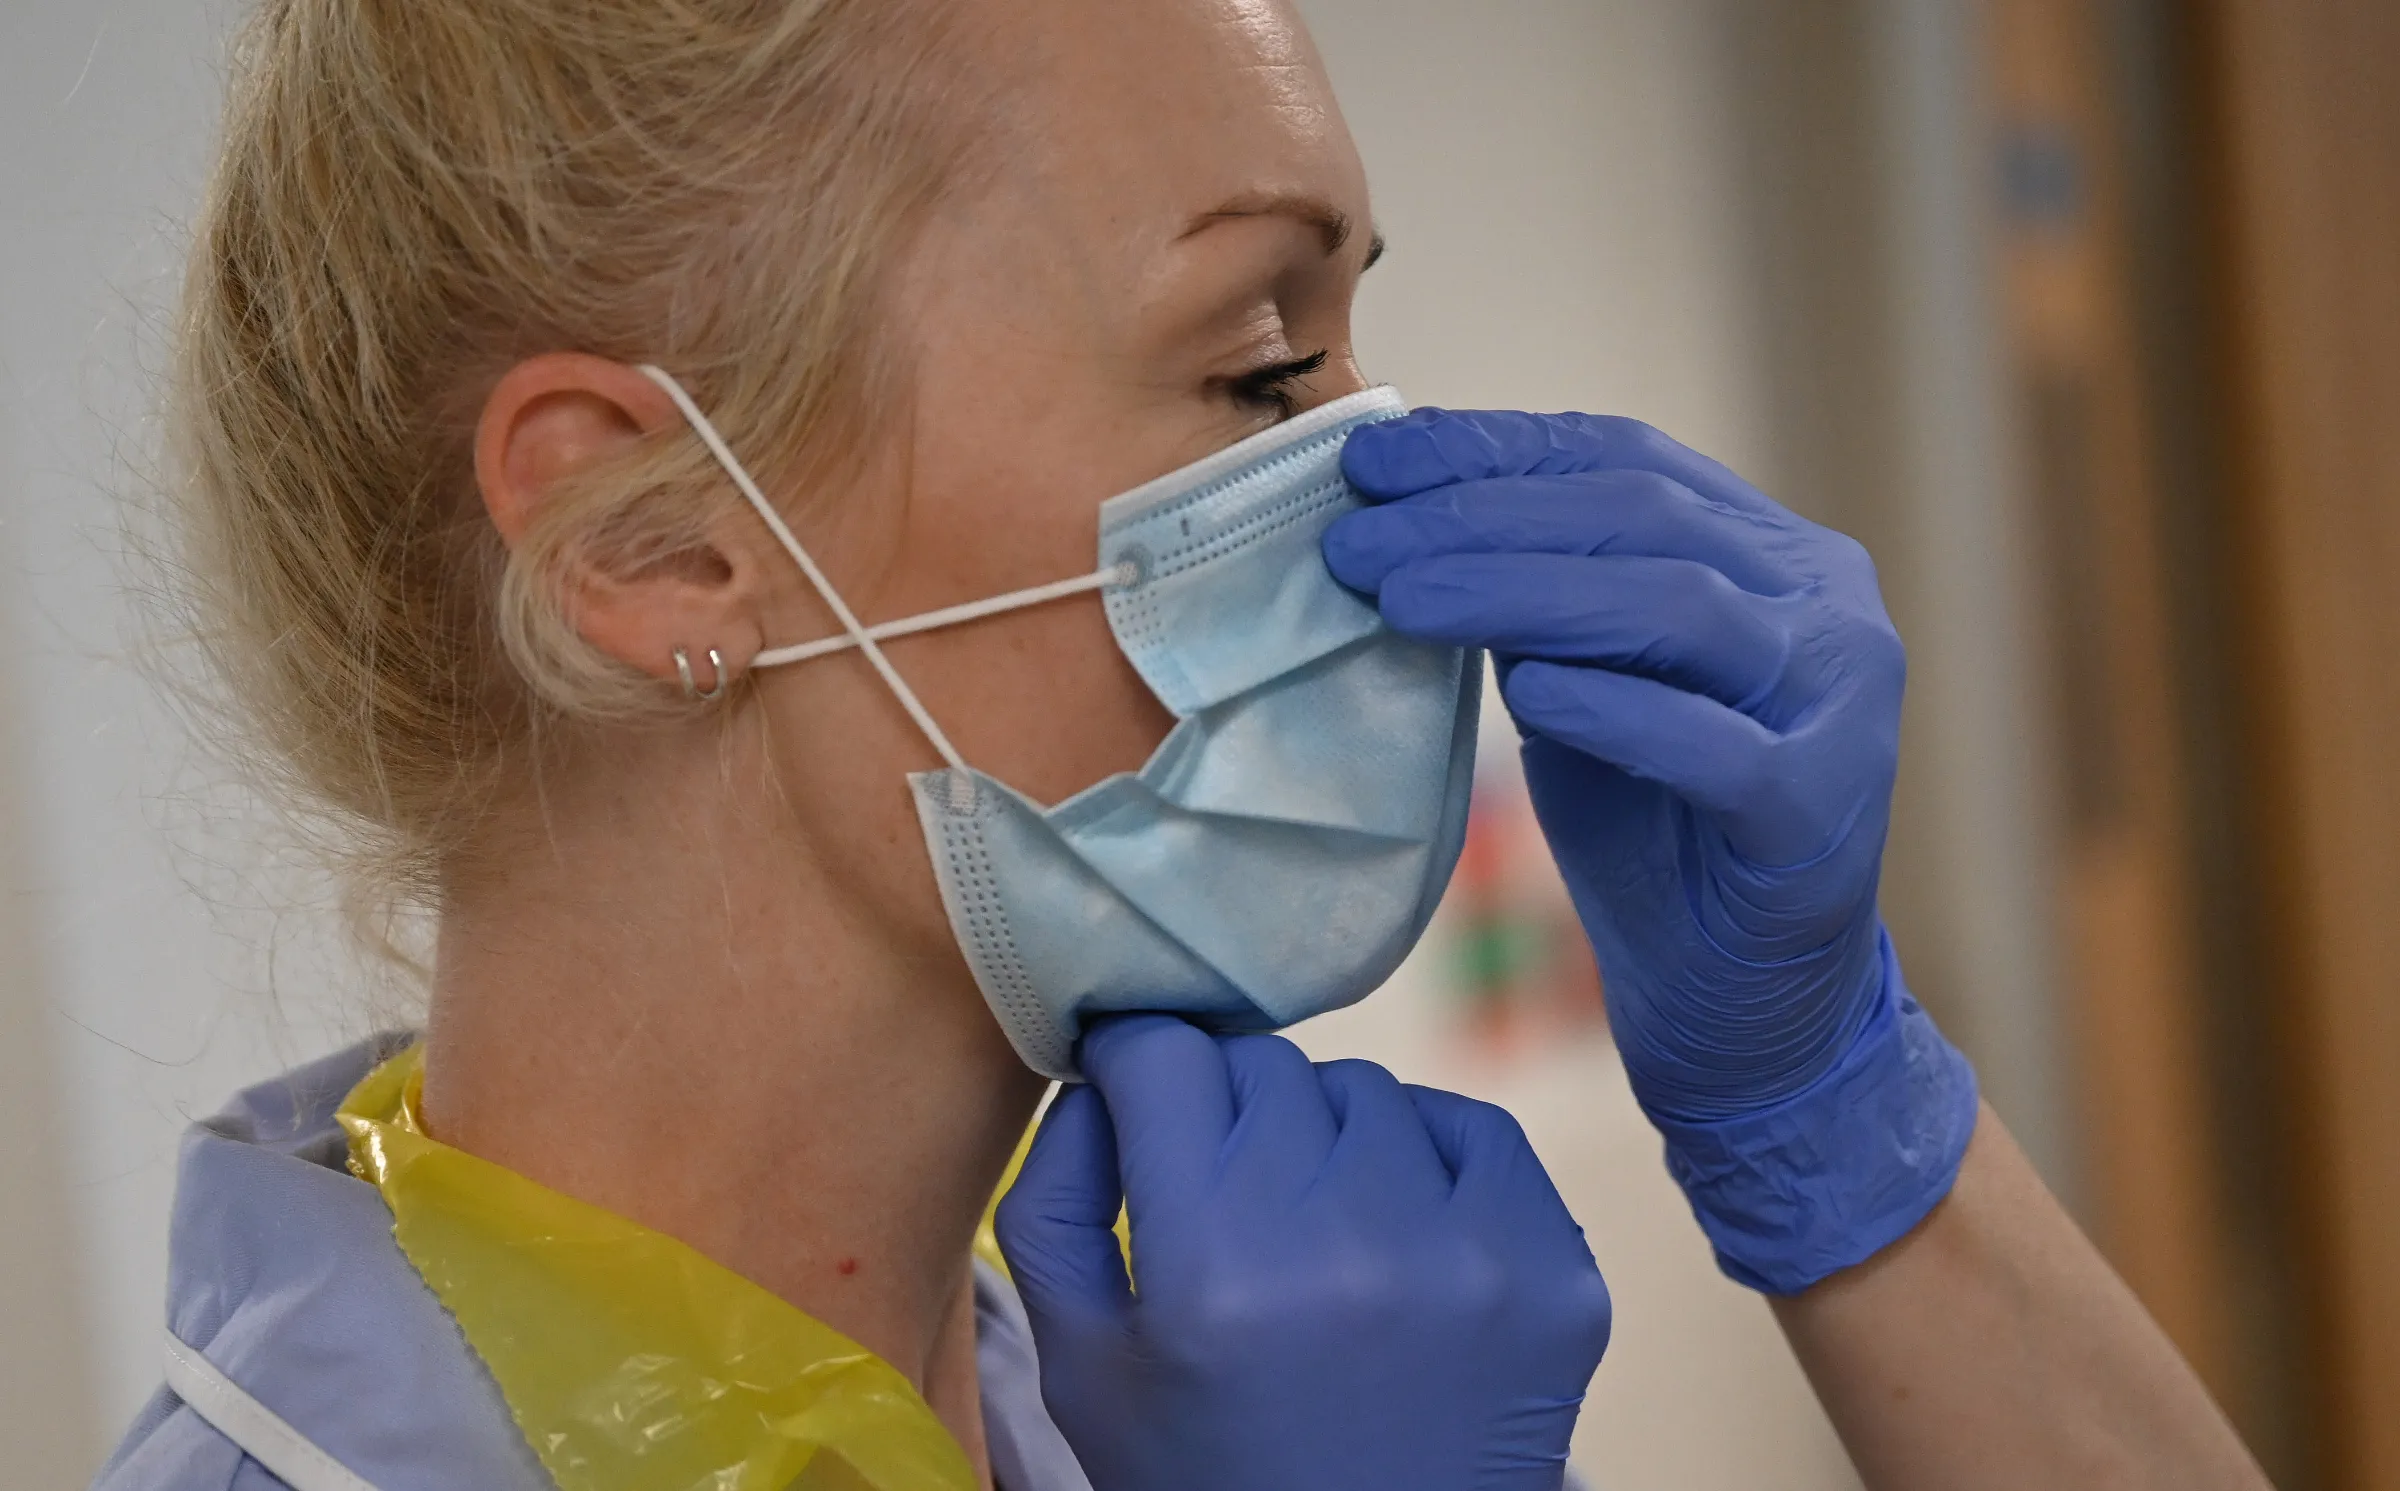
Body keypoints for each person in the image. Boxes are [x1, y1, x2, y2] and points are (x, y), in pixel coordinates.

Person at [92, 0, 2268, 1489]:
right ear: (655, 542)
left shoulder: (1116, 1383)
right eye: (1257, 364)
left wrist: (1838, 1125)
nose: (1377, 482)